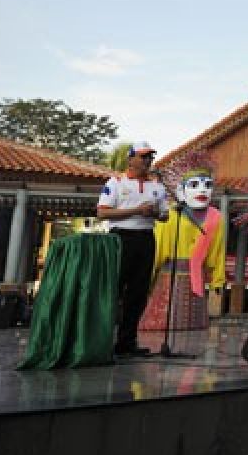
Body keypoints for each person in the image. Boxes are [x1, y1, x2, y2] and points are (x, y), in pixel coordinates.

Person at [140, 150, 226, 333]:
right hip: (169, 275)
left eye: (208, 185)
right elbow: (158, 249)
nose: (202, 190)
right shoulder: (170, 215)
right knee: (162, 328)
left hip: (197, 277)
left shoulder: (216, 217)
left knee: (194, 330)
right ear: (181, 190)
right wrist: (146, 277)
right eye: (194, 185)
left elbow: (218, 252)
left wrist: (217, 280)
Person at [97, 141, 169, 357]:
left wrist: (154, 213)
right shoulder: (116, 182)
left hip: (146, 238)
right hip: (121, 238)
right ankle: (102, 341)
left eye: (150, 157)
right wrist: (137, 210)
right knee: (114, 290)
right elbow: (102, 213)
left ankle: (127, 342)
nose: (147, 160)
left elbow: (165, 216)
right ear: (130, 159)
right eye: (143, 156)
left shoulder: (157, 186)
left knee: (138, 292)